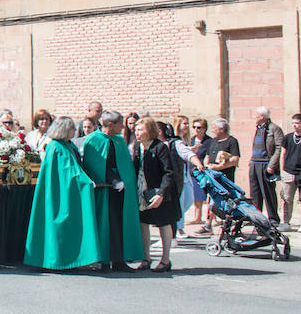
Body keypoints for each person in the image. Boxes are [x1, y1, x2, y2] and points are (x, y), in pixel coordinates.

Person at [24, 116, 105, 270]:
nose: (75, 131)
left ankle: (69, 260)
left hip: (66, 191)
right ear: (65, 130)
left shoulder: (68, 145)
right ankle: (57, 261)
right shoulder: (56, 147)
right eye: (72, 129)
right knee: (60, 225)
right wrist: (86, 182)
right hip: (59, 194)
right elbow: (68, 171)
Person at [81, 111, 144, 271]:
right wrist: (114, 180)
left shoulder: (118, 140)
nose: (123, 127)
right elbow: (95, 164)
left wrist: (125, 181)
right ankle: (103, 260)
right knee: (104, 224)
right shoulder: (93, 140)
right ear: (110, 124)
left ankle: (119, 260)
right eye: (120, 123)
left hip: (122, 192)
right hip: (104, 190)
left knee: (119, 224)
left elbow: (124, 164)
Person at [132, 118, 182, 273]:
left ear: (150, 131)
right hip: (141, 191)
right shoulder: (136, 147)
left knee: (163, 223)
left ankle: (165, 259)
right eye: (136, 130)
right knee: (143, 223)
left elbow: (169, 173)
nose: (137, 133)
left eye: (141, 130)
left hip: (159, 192)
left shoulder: (160, 147)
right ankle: (146, 258)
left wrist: (161, 193)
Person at [247, 108, 284, 227]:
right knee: (255, 192)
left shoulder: (274, 128)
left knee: (268, 192)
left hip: (265, 163)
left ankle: (273, 218)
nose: (255, 118)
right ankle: (256, 217)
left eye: (257, 116)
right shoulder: (258, 128)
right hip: (255, 162)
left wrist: (272, 165)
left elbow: (279, 148)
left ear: (263, 116)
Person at [279, 114, 301, 232]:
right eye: (293, 123)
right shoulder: (287, 137)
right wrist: (282, 169)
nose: (295, 125)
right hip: (288, 170)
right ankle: (286, 222)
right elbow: (283, 153)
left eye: (297, 123)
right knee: (287, 198)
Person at [187, 117, 213, 231]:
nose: (196, 129)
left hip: (204, 170)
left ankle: (212, 218)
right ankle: (197, 217)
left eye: (199, 127)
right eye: (194, 127)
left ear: (205, 129)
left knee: (209, 195)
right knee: (197, 194)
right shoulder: (191, 140)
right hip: (192, 170)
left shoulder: (209, 141)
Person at [205, 118, 241, 184]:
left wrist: (219, 167)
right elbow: (207, 156)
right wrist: (207, 166)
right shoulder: (213, 141)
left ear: (222, 129)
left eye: (214, 128)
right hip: (211, 176)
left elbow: (235, 160)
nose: (212, 131)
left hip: (225, 178)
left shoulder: (232, 141)